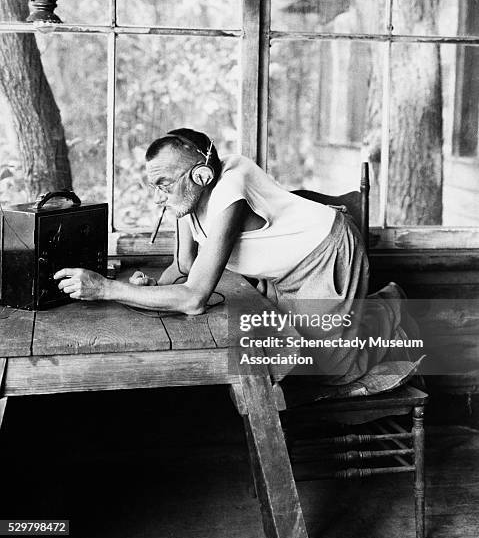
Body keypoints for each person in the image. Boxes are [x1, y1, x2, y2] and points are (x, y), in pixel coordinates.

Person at [55, 128, 418, 397]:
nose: (159, 197)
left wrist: (106, 288)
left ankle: (387, 308)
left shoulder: (231, 190)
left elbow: (195, 298)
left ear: (201, 174)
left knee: (327, 369)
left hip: (326, 252)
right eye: (155, 187)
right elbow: (184, 264)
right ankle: (357, 316)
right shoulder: (187, 196)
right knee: (287, 356)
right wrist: (153, 288)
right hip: (284, 269)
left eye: (164, 183)